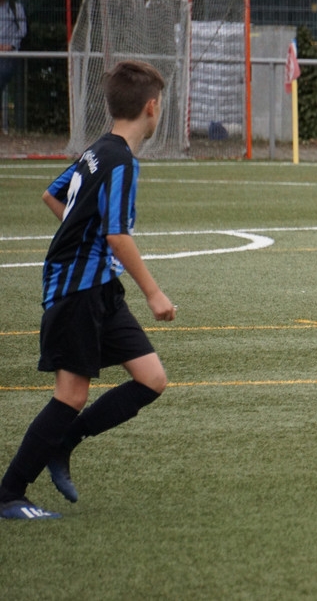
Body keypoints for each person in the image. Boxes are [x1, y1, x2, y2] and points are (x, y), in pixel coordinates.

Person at [0, 60, 177, 520]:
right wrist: (154, 294)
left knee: (152, 379)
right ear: (151, 108)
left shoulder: (98, 150)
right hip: (76, 290)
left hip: (99, 288)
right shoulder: (120, 162)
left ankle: (65, 442)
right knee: (71, 395)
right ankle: (9, 494)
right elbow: (117, 235)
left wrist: (81, 234)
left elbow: (52, 194)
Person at [0, 0, 27, 131]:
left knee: (2, 74)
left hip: (9, 54)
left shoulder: (15, 8)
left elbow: (22, 31)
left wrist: (10, 45)